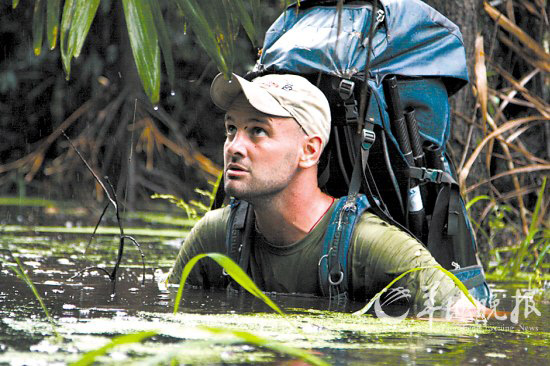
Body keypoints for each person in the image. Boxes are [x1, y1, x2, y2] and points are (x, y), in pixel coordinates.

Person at [168, 72, 478, 313]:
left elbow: (471, 318)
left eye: (258, 131)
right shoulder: (213, 239)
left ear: (309, 150)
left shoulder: (372, 246)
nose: (234, 147)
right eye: (231, 129)